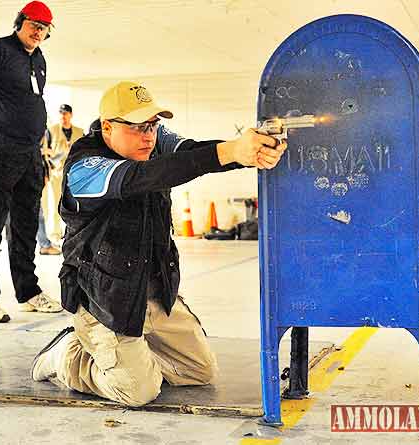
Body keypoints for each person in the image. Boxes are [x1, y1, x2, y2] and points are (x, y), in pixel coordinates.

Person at [31, 81, 287, 407]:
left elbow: (193, 153)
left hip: (154, 292)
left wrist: (247, 152)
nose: (148, 135)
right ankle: (68, 356)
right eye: (138, 127)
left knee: (200, 370)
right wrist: (230, 152)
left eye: (152, 125)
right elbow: (142, 176)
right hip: (106, 301)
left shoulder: (154, 143)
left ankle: (132, 359)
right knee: (139, 392)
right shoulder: (85, 167)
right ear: (107, 126)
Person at [0, 1, 62, 323]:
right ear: (20, 22)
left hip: (30, 154)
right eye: (33, 24)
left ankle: (28, 291)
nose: (38, 31)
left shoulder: (39, 59)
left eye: (44, 27)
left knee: (26, 226)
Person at [45, 104, 84, 246]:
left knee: (74, 205)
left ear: (71, 115)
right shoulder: (51, 131)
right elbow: (44, 150)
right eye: (61, 113)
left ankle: (72, 232)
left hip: (74, 176)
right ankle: (55, 235)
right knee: (55, 204)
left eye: (66, 113)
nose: (63, 116)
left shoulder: (80, 132)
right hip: (56, 175)